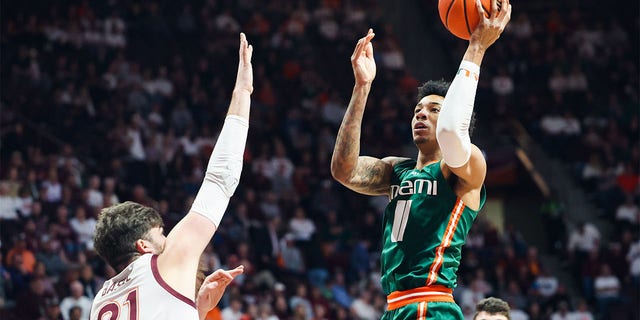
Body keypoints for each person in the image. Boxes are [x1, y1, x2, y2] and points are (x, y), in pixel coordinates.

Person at [330, 0, 511, 318]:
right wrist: (362, 87)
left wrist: (476, 48)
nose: (421, 115)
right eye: (418, 110)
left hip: (432, 304)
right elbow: (343, 170)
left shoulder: (466, 168)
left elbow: (454, 133)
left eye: (434, 110)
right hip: (395, 308)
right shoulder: (394, 171)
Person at [89, 33, 254, 320]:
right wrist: (243, 93)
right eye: (161, 234)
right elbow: (220, 179)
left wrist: (197, 310)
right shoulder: (163, 263)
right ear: (143, 245)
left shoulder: (100, 302)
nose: (167, 238)